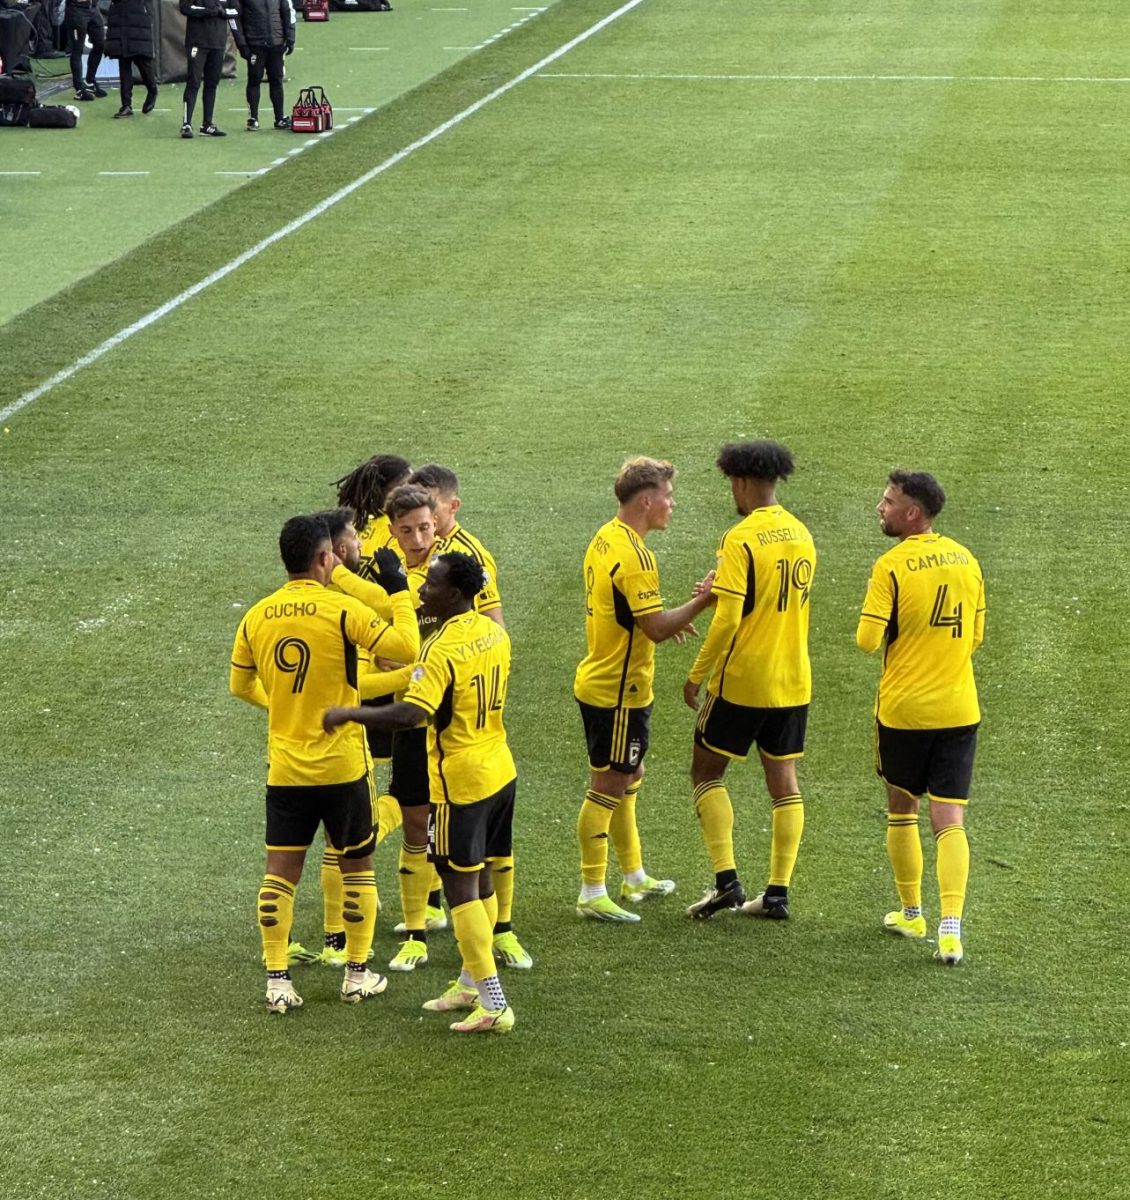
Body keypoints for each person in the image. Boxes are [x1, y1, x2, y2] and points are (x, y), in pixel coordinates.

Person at [229, 513, 418, 1013]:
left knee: (280, 873)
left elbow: (239, 685)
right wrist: (398, 591)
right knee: (357, 867)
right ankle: (356, 974)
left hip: (286, 768)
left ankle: (276, 982)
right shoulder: (340, 610)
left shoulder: (256, 615)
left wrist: (284, 707)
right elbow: (405, 647)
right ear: (321, 558)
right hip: (341, 766)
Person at [325, 552, 520, 1035]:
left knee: (458, 888)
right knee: (481, 881)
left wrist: (351, 713)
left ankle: (494, 1002)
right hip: (499, 768)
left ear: (454, 594)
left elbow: (413, 714)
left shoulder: (441, 650)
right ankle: (471, 983)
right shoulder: (495, 632)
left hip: (460, 782)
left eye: (430, 585)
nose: (421, 591)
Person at [574, 457, 715, 922]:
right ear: (647, 500)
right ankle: (592, 889)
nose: (673, 506)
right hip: (618, 691)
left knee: (629, 777)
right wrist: (704, 599)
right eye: (669, 497)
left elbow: (631, 613)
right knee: (609, 784)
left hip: (609, 680)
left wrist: (654, 622)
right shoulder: (636, 557)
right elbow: (653, 627)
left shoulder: (605, 536)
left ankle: (633, 876)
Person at [856, 470, 985, 966]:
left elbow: (868, 641)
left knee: (901, 808)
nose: (880, 508)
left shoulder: (891, 566)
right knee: (950, 820)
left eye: (888, 502)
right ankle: (951, 926)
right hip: (959, 707)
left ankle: (912, 911)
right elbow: (974, 635)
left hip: (905, 711)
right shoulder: (967, 559)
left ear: (913, 513)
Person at [684, 440, 816, 922]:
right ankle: (778, 892)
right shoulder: (802, 534)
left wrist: (696, 675)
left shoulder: (740, 537)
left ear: (740, 482)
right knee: (784, 784)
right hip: (793, 680)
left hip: (742, 681)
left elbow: (728, 619)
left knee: (706, 772)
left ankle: (727, 882)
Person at [408, 464, 504, 628]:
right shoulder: (407, 542)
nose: (420, 513)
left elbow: (493, 623)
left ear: (454, 506)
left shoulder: (470, 554)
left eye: (430, 505)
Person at [179, 0, 246, 138]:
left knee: (212, 83)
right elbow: (185, 8)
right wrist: (209, 11)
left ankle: (207, 124)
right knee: (194, 81)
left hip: (217, 43)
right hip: (197, 41)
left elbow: (236, 10)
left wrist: (222, 12)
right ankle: (186, 124)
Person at [238, 0, 295, 131]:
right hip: (255, 43)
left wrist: (290, 38)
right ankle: (253, 118)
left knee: (276, 80)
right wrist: (243, 45)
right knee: (254, 79)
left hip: (276, 43)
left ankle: (279, 118)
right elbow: (237, 18)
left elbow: (288, 11)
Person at [104, 0, 158, 118]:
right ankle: (126, 105)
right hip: (119, 16)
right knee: (123, 63)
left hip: (137, 16)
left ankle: (152, 90)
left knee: (142, 61)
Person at [66, 0, 107, 101]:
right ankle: (79, 89)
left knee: (100, 45)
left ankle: (90, 81)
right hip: (76, 9)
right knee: (77, 50)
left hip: (93, 8)